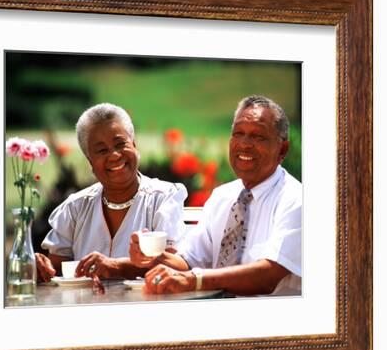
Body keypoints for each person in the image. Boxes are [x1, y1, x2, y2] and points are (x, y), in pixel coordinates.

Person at [129, 95, 301, 296]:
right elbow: (188, 261)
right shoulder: (223, 196)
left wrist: (194, 280)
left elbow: (267, 277)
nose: (245, 144)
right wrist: (151, 256)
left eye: (258, 137)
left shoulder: (296, 200)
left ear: (283, 149)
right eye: (238, 133)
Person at [36, 103, 187, 282]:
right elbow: (58, 270)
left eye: (120, 144)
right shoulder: (74, 208)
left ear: (135, 146)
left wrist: (117, 267)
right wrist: (40, 267)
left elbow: (177, 266)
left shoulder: (163, 198)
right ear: (90, 161)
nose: (114, 155)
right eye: (102, 150)